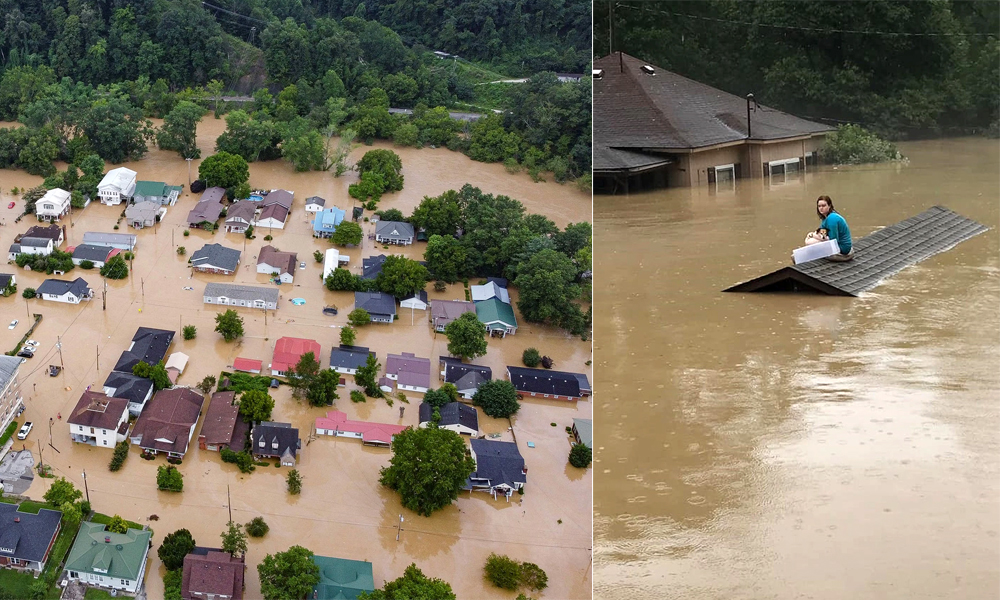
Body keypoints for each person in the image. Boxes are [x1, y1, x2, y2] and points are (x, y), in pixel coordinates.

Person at [815, 195, 853, 261]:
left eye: (823, 206)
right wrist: (814, 235)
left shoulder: (832, 219)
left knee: (811, 242)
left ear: (829, 206)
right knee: (810, 239)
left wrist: (815, 236)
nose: (821, 208)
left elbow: (834, 241)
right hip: (839, 245)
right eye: (819, 206)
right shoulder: (826, 218)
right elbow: (822, 233)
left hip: (843, 248)